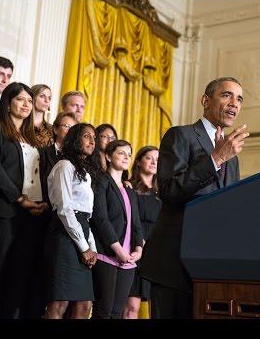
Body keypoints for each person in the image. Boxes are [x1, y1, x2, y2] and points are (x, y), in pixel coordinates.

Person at [141, 77, 249, 319]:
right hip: (175, 264)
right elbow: (169, 190)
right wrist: (215, 160)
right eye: (227, 95)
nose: (234, 103)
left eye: (239, 99)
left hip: (213, 265)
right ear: (205, 100)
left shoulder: (232, 155)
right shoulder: (181, 135)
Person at [0, 82, 48, 319]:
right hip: (5, 212)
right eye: (20, 100)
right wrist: (18, 198)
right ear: (8, 103)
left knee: (17, 280)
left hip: (31, 216)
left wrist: (42, 201)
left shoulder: (33, 137)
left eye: (29, 100)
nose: (27, 105)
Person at [44, 123, 98, 319]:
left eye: (94, 137)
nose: (92, 141)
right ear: (75, 139)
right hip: (64, 235)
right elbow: (66, 209)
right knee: (60, 302)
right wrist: (84, 247)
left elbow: (86, 215)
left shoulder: (85, 173)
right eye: (86, 136)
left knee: (84, 305)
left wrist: (91, 246)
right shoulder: (64, 166)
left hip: (81, 230)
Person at [90, 139, 143, 319]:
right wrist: (118, 249)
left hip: (129, 259)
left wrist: (138, 249)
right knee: (103, 311)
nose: (126, 157)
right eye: (121, 153)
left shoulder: (129, 190)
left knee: (117, 312)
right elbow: (101, 218)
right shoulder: (101, 181)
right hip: (107, 254)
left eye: (129, 154)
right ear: (108, 156)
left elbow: (136, 223)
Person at [122, 145, 161, 319]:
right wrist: (140, 242)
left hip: (156, 251)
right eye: (149, 158)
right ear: (138, 161)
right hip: (135, 247)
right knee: (132, 306)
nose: (154, 162)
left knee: (157, 306)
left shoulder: (163, 191)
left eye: (157, 159)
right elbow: (127, 220)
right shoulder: (129, 186)